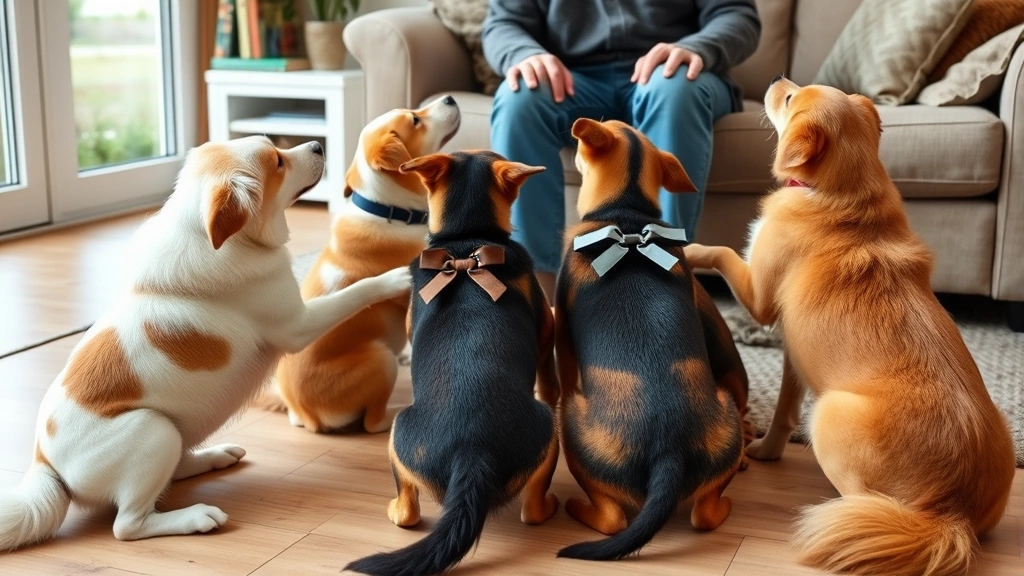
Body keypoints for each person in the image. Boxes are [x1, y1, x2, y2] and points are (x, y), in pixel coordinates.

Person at [483, 0, 761, 298]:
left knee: (674, 91)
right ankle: (537, 296)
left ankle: (663, 284)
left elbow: (737, 15)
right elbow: (503, 23)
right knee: (519, 102)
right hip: (573, 79)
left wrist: (698, 47)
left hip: (674, 76)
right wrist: (525, 54)